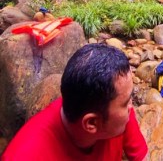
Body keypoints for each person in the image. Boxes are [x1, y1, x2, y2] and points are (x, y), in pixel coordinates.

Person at [2, 44, 147, 161]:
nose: (131, 106)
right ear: (92, 123)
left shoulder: (113, 112)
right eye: (126, 103)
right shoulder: (24, 156)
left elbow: (140, 157)